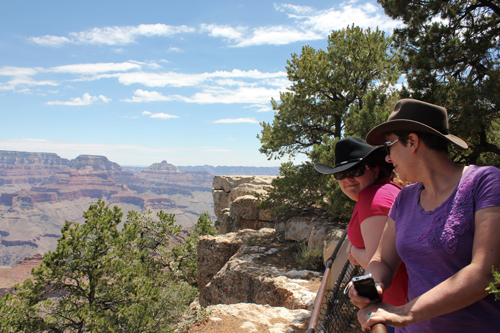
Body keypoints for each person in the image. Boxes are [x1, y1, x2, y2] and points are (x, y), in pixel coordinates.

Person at [349, 98, 500, 332]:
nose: (388, 158)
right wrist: (372, 283)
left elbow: (485, 273)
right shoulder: (405, 198)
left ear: (412, 142)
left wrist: (405, 312)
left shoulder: (486, 183)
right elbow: (383, 260)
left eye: (389, 145)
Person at [315, 136, 409, 333]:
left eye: (356, 170)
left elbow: (383, 264)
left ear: (375, 169)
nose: (348, 178)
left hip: (396, 310)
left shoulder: (373, 198)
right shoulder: (386, 190)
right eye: (341, 173)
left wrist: (355, 252)